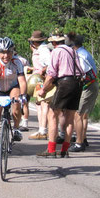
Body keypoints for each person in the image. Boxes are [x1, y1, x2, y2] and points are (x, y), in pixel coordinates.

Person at [36, 29, 84, 158]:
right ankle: (64, 150)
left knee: (52, 114)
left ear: (53, 42)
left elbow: (51, 75)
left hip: (65, 83)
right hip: (78, 83)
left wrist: (43, 90)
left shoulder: (57, 51)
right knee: (69, 117)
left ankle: (51, 150)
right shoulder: (73, 51)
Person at [0, 37, 27, 165]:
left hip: (13, 88)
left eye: (8, 52)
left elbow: (22, 81)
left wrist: (23, 95)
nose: (6, 55)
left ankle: (16, 127)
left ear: (13, 51)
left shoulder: (17, 62)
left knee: (17, 102)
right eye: (2, 52)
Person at [67, 33, 99, 152]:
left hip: (88, 86)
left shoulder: (80, 55)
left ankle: (79, 143)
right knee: (84, 115)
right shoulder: (84, 52)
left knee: (78, 114)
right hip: (91, 86)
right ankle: (83, 138)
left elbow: (87, 74)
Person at [27, 30, 52, 139]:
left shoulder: (43, 50)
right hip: (39, 78)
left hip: (42, 79)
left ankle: (43, 130)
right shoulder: (40, 49)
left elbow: (49, 64)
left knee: (43, 103)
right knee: (39, 103)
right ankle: (42, 129)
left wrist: (42, 71)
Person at [14, 52, 31, 131]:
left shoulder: (15, 60)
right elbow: (29, 71)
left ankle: (23, 122)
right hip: (26, 82)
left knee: (19, 103)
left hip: (17, 83)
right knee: (25, 103)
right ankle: (25, 122)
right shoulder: (24, 60)